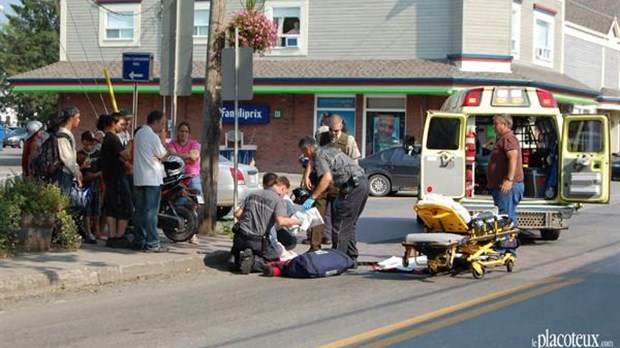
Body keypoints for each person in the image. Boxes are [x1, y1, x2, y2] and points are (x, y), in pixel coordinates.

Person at [298, 135, 369, 268]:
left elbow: (327, 177)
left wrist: (313, 197)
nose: (305, 156)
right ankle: (351, 257)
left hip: (352, 186)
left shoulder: (319, 156)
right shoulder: (329, 151)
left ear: (307, 149)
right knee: (349, 223)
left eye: (304, 153)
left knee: (340, 223)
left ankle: (337, 260)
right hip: (362, 184)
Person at [230, 175, 301, 274]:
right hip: (258, 241)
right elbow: (281, 221)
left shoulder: (252, 194)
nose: (285, 195)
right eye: (285, 192)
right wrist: (299, 221)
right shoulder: (277, 199)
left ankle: (235, 257)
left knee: (241, 248)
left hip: (240, 237)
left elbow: (237, 214)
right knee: (276, 258)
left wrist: (251, 221)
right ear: (282, 188)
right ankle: (253, 262)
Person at [132, 110, 169, 253]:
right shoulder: (153, 136)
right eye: (162, 123)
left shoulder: (139, 133)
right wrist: (164, 141)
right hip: (152, 178)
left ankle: (138, 240)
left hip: (139, 177)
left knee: (140, 211)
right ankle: (152, 242)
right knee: (151, 212)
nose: (163, 126)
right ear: (156, 122)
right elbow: (164, 156)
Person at [99, 114, 133, 247]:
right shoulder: (113, 139)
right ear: (113, 123)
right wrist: (130, 145)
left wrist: (127, 165)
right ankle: (118, 236)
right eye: (121, 124)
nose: (123, 127)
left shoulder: (108, 139)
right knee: (125, 206)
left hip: (111, 177)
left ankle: (112, 236)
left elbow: (118, 158)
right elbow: (125, 155)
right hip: (117, 177)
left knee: (112, 206)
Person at [167, 121, 202, 244]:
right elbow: (170, 155)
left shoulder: (194, 144)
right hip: (177, 177)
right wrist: (186, 157)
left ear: (189, 133)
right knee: (176, 204)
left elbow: (194, 156)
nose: (183, 133)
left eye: (186, 131)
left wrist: (178, 157)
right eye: (181, 131)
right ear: (178, 132)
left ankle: (192, 235)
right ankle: (177, 233)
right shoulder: (172, 143)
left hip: (192, 176)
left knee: (192, 205)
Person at [486, 114, 525, 224]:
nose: (494, 126)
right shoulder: (503, 139)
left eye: (496, 124)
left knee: (505, 218)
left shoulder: (508, 138)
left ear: (505, 124)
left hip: (508, 187)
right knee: (505, 216)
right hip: (502, 187)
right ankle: (509, 240)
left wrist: (509, 180)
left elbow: (513, 158)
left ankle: (507, 241)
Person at [77, 131, 103, 242]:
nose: (90, 145)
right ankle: (88, 231)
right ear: (83, 141)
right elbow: (77, 170)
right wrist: (82, 167)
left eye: (92, 142)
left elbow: (103, 168)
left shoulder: (97, 153)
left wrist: (96, 175)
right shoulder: (79, 155)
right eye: (87, 142)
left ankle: (96, 230)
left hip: (96, 182)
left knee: (96, 209)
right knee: (86, 209)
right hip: (85, 184)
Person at [55, 106, 83, 195]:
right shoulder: (62, 135)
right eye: (77, 117)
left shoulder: (67, 133)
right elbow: (67, 158)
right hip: (64, 173)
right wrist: (76, 173)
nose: (79, 120)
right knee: (64, 201)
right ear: (71, 118)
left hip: (68, 173)